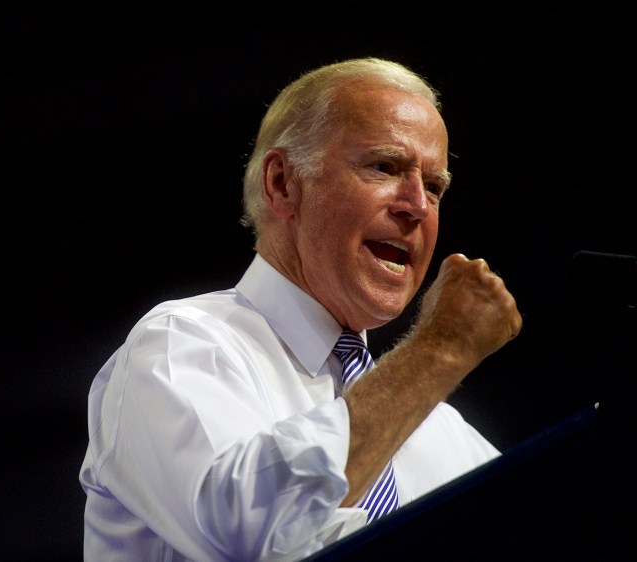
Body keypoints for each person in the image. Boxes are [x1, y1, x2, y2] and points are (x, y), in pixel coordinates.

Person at [79, 57, 522, 561]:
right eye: (384, 167)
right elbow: (257, 537)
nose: (417, 206)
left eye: (435, 187)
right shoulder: (179, 347)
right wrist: (441, 349)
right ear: (283, 183)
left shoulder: (446, 436)